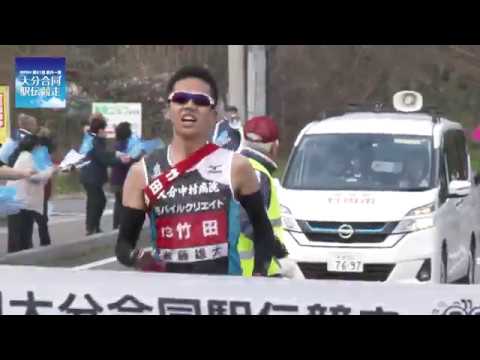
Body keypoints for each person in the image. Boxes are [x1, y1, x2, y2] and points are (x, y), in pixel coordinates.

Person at [116, 65, 278, 276]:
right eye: (180, 99)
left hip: (223, 300)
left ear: (214, 114)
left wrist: (258, 275)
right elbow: (123, 245)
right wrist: (136, 258)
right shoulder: (142, 173)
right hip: (168, 298)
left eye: (200, 101)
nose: (189, 106)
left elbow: (263, 232)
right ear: (168, 110)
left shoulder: (237, 167)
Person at [238, 116, 304, 279]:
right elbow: (250, 223)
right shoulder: (257, 174)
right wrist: (280, 253)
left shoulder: (236, 167)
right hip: (253, 271)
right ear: (275, 147)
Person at [6, 126, 58, 253]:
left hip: (22, 201)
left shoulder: (28, 157)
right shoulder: (26, 157)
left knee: (22, 232)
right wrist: (51, 170)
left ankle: (21, 255)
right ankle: (17, 258)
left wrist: (50, 171)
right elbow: (34, 177)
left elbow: (39, 175)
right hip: (19, 201)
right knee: (19, 234)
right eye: (38, 146)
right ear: (33, 146)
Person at [80, 113, 131, 236]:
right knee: (97, 201)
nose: (106, 133)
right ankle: (92, 227)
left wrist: (116, 155)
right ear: (100, 130)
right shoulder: (95, 141)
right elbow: (103, 158)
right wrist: (120, 159)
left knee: (95, 201)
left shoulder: (93, 139)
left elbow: (104, 155)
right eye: (105, 130)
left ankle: (93, 226)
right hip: (92, 175)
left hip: (89, 175)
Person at [31, 126, 56, 247]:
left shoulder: (35, 149)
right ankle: (45, 241)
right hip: (42, 185)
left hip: (36, 185)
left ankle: (40, 241)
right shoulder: (45, 150)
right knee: (42, 216)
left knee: (35, 215)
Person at [110, 122, 137, 230]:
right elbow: (130, 161)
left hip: (115, 180)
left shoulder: (115, 145)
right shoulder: (128, 145)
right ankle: (124, 226)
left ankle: (116, 226)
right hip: (125, 180)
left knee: (118, 203)